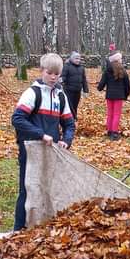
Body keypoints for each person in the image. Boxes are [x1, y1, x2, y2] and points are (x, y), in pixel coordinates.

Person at [11, 53, 75, 231]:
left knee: (49, 190)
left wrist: (66, 140)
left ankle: (42, 227)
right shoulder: (33, 93)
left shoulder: (61, 97)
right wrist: (40, 134)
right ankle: (18, 230)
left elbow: (69, 124)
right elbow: (17, 119)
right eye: (50, 73)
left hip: (51, 151)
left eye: (57, 74)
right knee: (28, 190)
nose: (53, 77)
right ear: (41, 71)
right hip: (30, 150)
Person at [96, 52, 130, 140]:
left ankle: (109, 131)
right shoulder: (123, 71)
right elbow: (127, 85)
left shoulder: (107, 71)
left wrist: (99, 88)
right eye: (120, 59)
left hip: (109, 96)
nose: (121, 60)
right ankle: (114, 132)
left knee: (110, 114)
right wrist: (126, 95)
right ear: (117, 60)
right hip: (119, 97)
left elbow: (101, 85)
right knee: (116, 114)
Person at [61, 52, 89, 128]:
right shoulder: (67, 66)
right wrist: (61, 81)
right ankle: (71, 121)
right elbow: (63, 76)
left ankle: (73, 120)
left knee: (75, 106)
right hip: (68, 90)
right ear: (71, 58)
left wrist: (86, 90)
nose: (78, 60)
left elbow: (84, 79)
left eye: (79, 58)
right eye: (76, 58)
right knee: (70, 106)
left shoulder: (81, 68)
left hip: (77, 91)